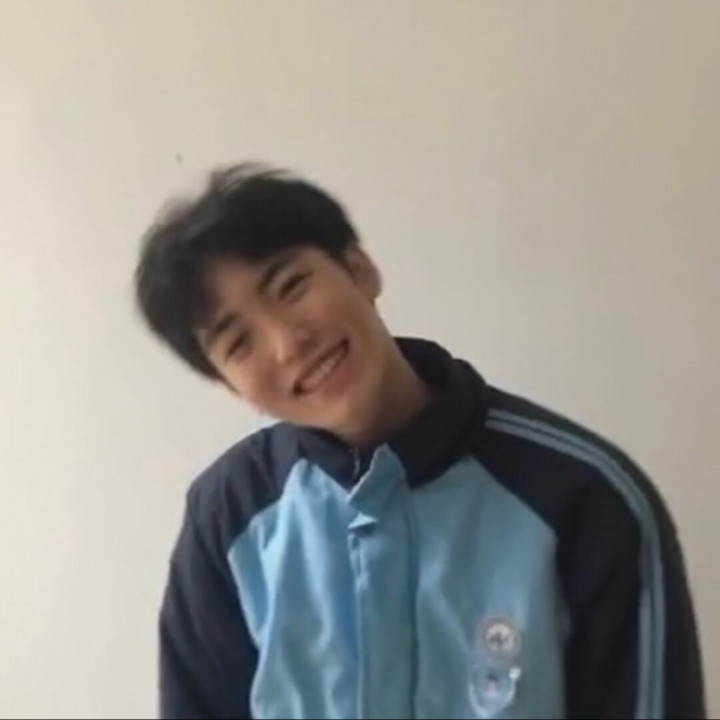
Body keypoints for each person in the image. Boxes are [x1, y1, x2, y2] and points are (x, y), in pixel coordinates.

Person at [134, 163, 705, 720]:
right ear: (230, 384)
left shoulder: (584, 496)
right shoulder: (227, 517)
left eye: (291, 286)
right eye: (238, 343)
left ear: (359, 270)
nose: (287, 343)